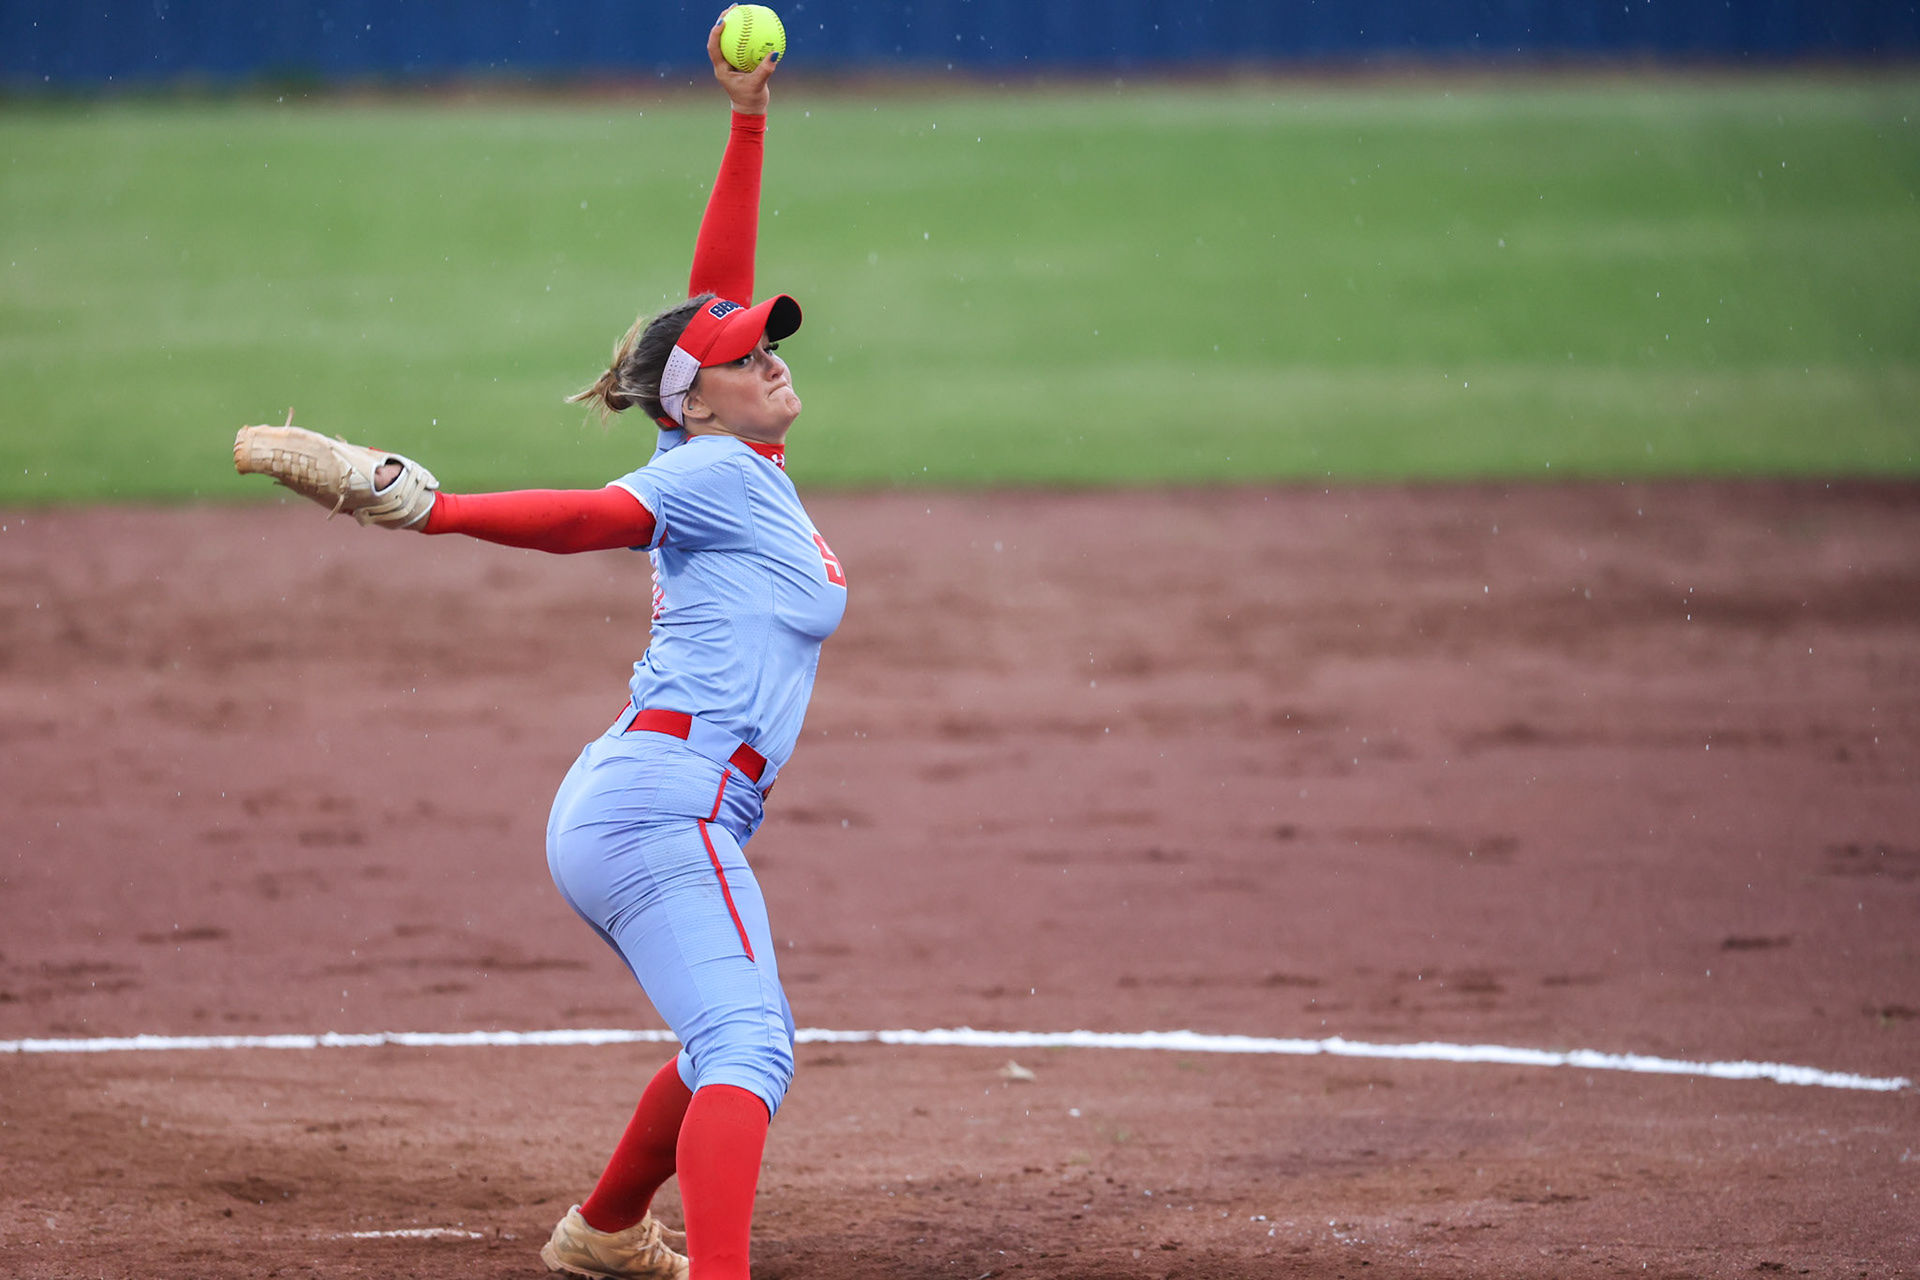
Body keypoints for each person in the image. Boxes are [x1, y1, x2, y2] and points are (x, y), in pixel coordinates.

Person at [311, 16, 833, 1279]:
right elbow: (592, 520)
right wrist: (441, 510)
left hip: (650, 801)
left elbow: (709, 303)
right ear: (696, 402)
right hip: (665, 806)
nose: (767, 354)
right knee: (752, 1046)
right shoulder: (710, 470)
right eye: (743, 355)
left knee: (724, 1038)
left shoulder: (714, 442)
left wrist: (747, 120)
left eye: (770, 341)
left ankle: (603, 1232)